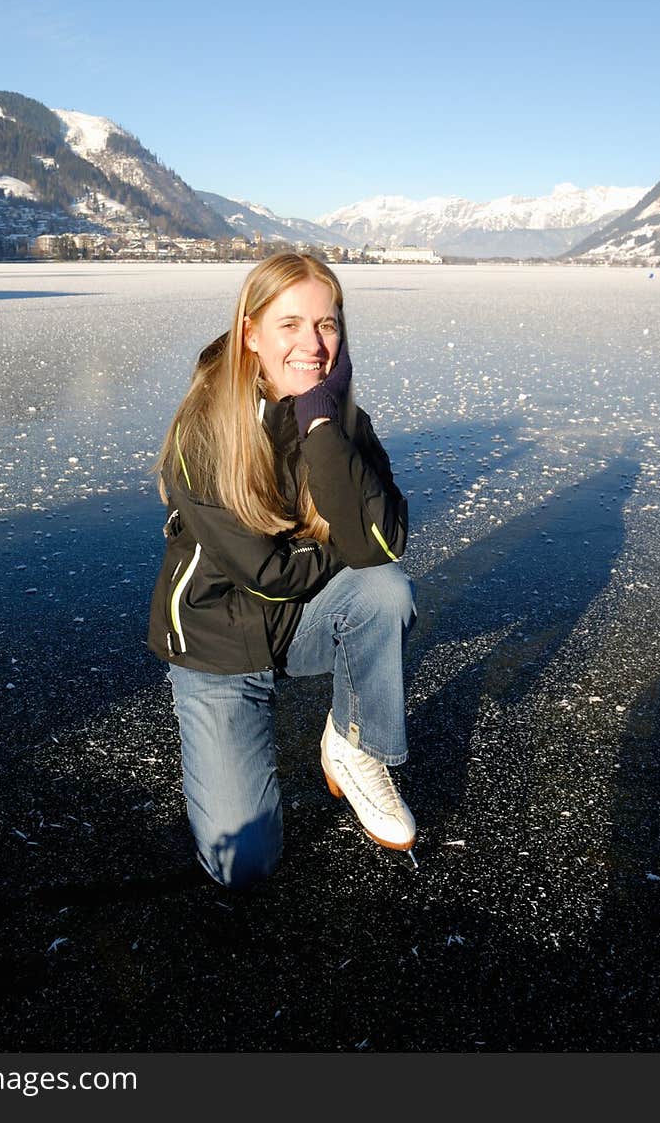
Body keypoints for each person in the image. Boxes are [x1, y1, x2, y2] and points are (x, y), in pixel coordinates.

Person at [147, 252, 417, 889]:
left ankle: (355, 746)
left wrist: (322, 424)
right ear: (250, 331)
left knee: (383, 592)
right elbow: (265, 570)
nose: (312, 343)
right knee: (245, 867)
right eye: (290, 324)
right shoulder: (204, 428)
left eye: (327, 325)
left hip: (298, 622)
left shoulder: (340, 417)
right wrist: (346, 548)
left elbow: (386, 540)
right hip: (219, 645)